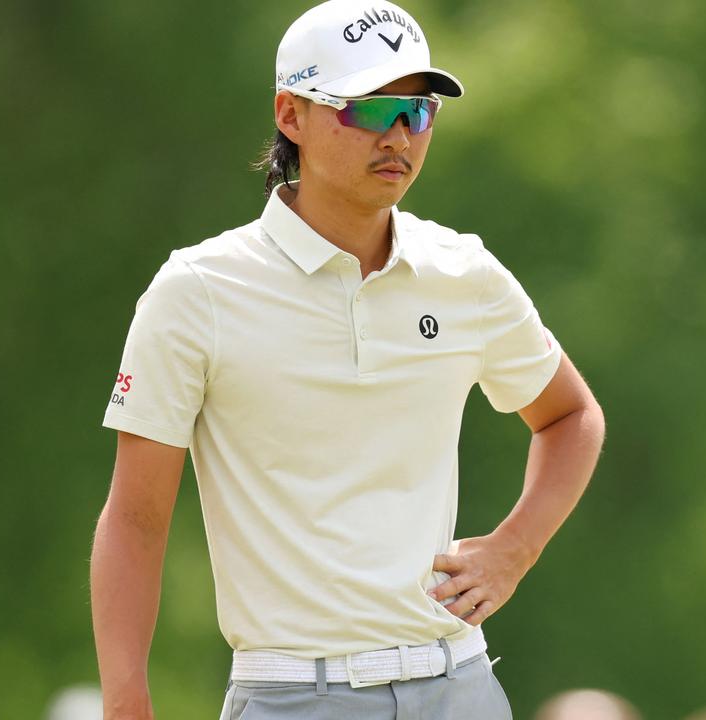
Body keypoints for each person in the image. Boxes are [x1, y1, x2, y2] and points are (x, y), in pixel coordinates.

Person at [88, 1, 606, 718]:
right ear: (291, 114)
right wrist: (125, 701)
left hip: (461, 686)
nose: (398, 135)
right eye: (370, 109)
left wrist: (515, 548)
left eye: (417, 113)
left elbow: (571, 415)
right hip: (294, 694)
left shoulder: (463, 273)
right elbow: (136, 519)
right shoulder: (198, 291)